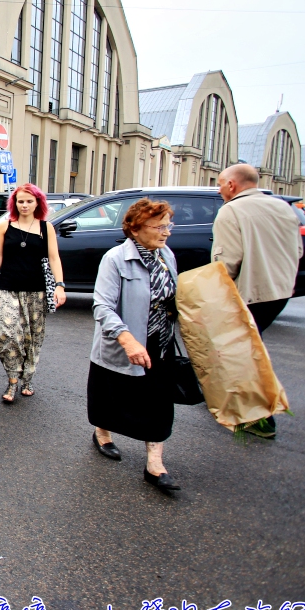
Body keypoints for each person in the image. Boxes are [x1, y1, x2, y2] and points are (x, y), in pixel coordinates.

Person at [88, 199, 185, 492]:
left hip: (160, 342)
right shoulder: (116, 258)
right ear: (136, 228)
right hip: (124, 342)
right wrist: (127, 339)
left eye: (168, 225)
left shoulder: (166, 255)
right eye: (159, 226)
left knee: (158, 402)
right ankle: (102, 433)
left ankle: (155, 465)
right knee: (112, 396)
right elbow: (102, 306)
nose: (166, 232)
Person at [212, 163, 303, 439]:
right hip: (280, 290)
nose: (219, 190)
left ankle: (260, 418)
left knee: (245, 353)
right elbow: (298, 250)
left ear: (232, 185)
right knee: (251, 347)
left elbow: (226, 263)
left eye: (220, 184)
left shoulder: (232, 211)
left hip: (248, 293)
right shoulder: (282, 207)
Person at [0, 184, 66, 403]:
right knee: (8, 333)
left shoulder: (46, 228)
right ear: (14, 203)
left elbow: (54, 258)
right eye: (20, 201)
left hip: (37, 291)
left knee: (32, 338)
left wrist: (60, 285)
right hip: (8, 288)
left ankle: (27, 378)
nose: (24, 205)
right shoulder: (5, 226)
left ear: (38, 203)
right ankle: (12, 378)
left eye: (29, 201)